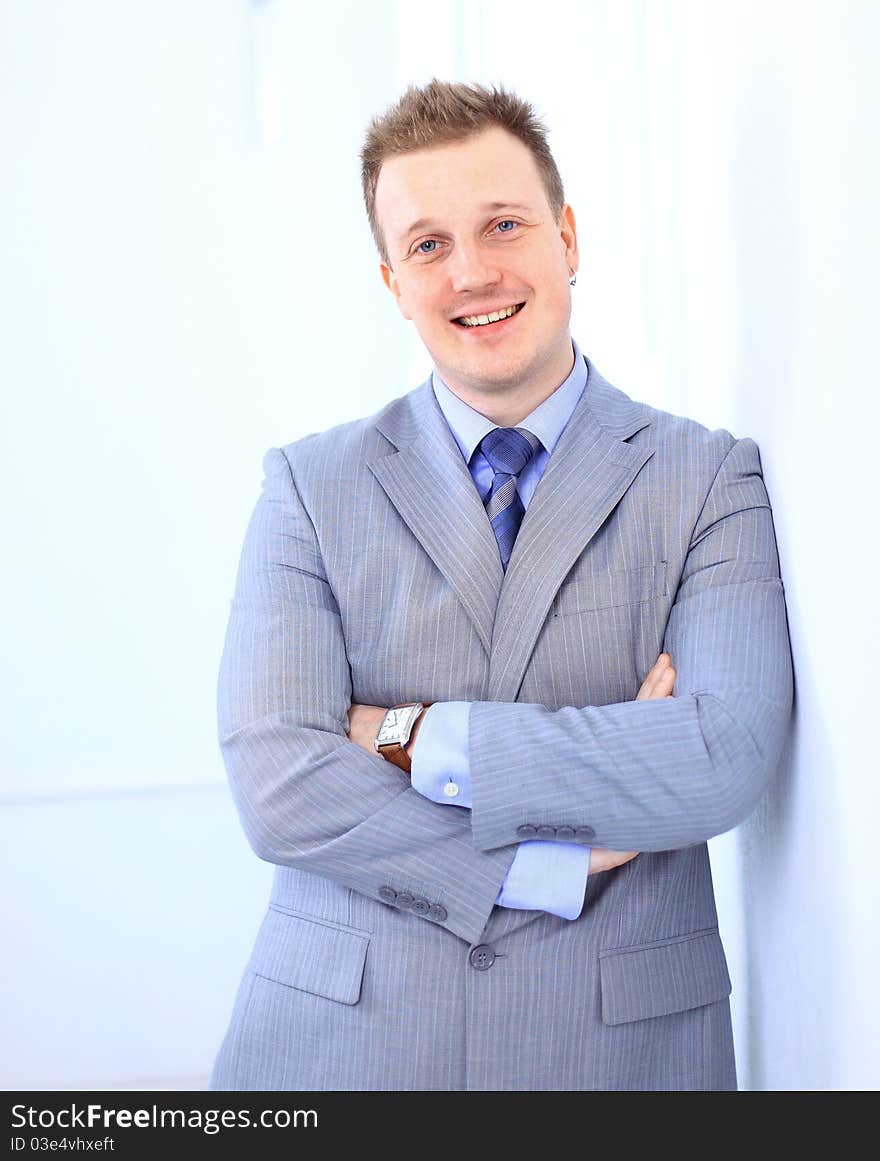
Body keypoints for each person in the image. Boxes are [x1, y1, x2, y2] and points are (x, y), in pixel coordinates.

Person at [209, 80, 792, 1091]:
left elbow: (717, 756)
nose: (472, 272)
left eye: (504, 225)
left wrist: (409, 736)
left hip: (617, 1050)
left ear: (566, 238)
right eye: (429, 245)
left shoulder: (705, 477)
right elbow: (279, 787)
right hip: (345, 1048)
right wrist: (548, 862)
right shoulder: (309, 486)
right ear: (392, 280)